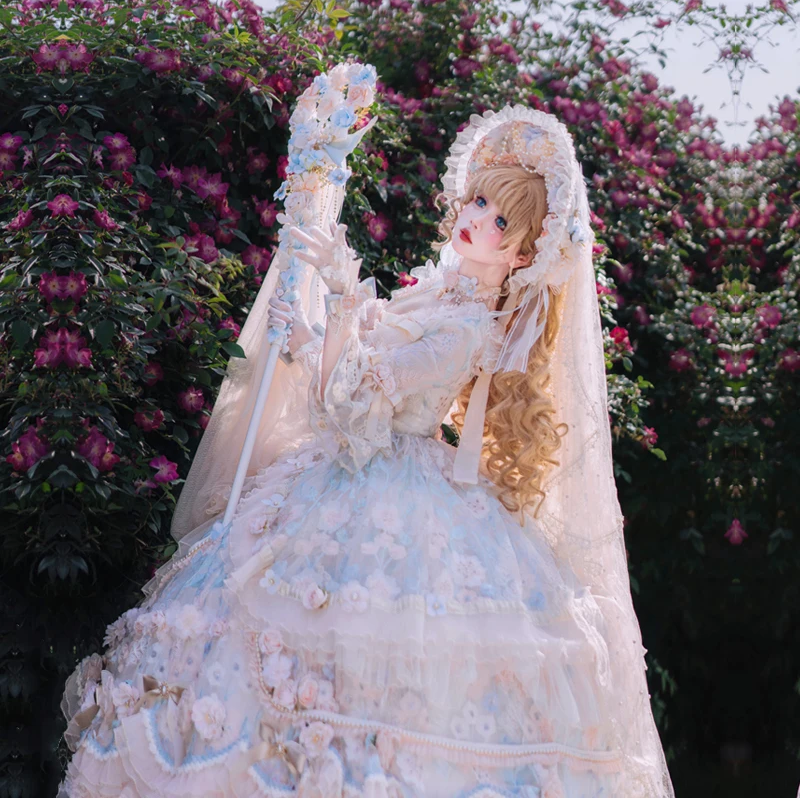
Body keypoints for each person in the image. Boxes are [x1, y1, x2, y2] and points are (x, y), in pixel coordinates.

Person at [58, 98, 674, 797]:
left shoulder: (464, 331)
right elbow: (343, 377)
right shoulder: (437, 295)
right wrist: (311, 320)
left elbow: (353, 406)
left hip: (387, 473)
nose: (476, 219)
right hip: (353, 470)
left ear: (525, 253)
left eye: (500, 219)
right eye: (477, 200)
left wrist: (342, 298)